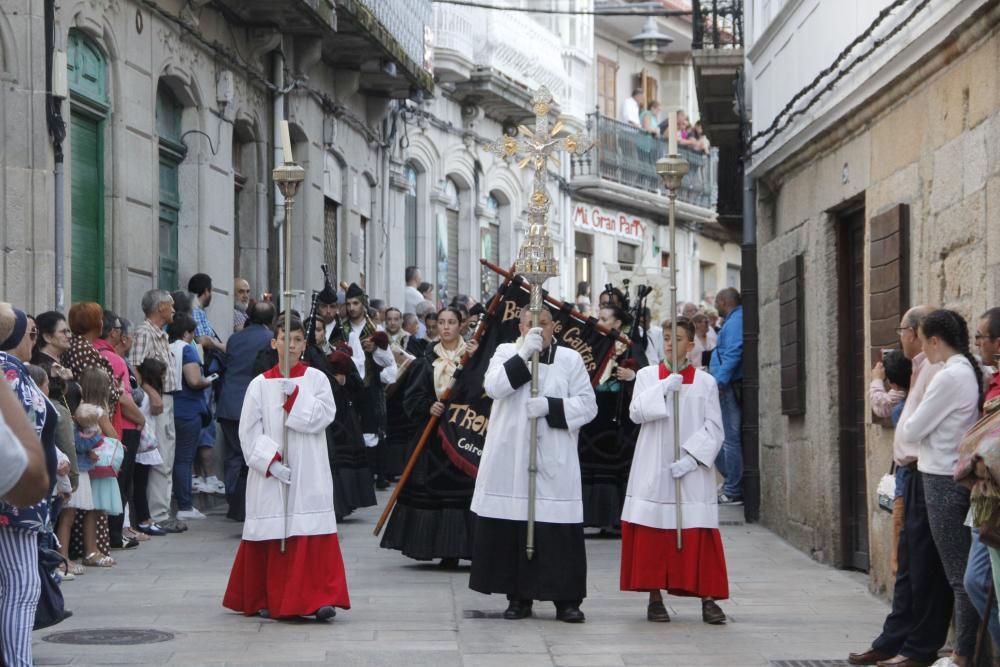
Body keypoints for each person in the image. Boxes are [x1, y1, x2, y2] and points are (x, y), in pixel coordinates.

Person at [470, 307, 597, 623]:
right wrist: (524, 353)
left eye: (543, 324)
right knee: (515, 527)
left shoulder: (569, 360)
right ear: (520, 326)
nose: (537, 329)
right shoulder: (506, 351)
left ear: (555, 326)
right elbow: (495, 387)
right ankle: (519, 596)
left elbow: (588, 405)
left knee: (556, 530)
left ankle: (566, 600)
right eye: (530, 324)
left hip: (554, 455)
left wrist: (552, 407)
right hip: (511, 456)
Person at [222, 317, 349, 621]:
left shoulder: (317, 379)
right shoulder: (259, 384)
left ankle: (319, 598)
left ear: (304, 344)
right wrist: (270, 463)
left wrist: (296, 397)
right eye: (284, 338)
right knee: (273, 530)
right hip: (272, 472)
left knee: (310, 529)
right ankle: (268, 594)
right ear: (274, 342)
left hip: (309, 467)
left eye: (296, 339)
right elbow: (248, 432)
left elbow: (325, 416)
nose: (290, 345)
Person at [849, 306, 950, 667]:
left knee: (922, 565)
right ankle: (893, 639)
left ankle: (918, 646)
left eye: (902, 332)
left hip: (927, 473)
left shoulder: (938, 369)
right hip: (914, 472)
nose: (900, 339)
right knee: (909, 563)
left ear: (916, 332)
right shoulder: (921, 368)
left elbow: (911, 423)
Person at [621, 318, 728, 625]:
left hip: (691, 471)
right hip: (654, 465)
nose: (670, 343)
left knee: (698, 531)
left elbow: (715, 429)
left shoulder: (706, 382)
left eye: (678, 338)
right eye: (667, 337)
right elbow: (637, 413)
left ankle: (708, 598)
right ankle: (655, 597)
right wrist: (664, 388)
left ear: (690, 345)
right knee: (653, 532)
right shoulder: (647, 375)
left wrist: (692, 458)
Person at [901, 310, 982, 667]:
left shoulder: (950, 375)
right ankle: (967, 649)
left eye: (922, 339)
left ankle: (964, 654)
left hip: (941, 479)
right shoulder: (968, 367)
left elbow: (911, 430)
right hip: (948, 475)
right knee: (960, 572)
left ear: (933, 340)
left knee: (958, 575)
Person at [380, 307, 479, 565]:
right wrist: (428, 406)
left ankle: (464, 546)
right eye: (442, 322)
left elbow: (483, 395)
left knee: (463, 491)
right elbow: (411, 398)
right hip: (432, 437)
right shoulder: (426, 359)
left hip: (462, 435)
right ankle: (436, 545)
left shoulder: (472, 358)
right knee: (431, 490)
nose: (445, 327)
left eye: (451, 322)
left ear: (462, 325)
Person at [0, 305, 57, 667]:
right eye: (32, 334)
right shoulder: (9, 372)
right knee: (22, 585)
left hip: (19, 495)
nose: (34, 341)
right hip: (15, 499)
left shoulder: (14, 371)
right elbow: (21, 440)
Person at [578, 304, 647, 532]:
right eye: (599, 317)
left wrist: (632, 375)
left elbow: (647, 374)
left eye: (605, 318)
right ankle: (594, 516)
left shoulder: (630, 346)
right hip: (595, 417)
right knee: (593, 466)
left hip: (619, 419)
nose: (600, 321)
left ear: (617, 323)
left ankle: (617, 520)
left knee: (616, 467)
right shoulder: (594, 345)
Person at [328, 283, 397, 490]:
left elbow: (388, 362)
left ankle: (377, 473)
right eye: (348, 304)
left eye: (355, 303)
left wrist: (377, 348)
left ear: (363, 304)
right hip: (349, 387)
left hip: (370, 387)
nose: (351, 308)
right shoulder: (340, 328)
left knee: (374, 431)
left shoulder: (375, 329)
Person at [129, 290, 185, 534]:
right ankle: (157, 515)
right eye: (170, 305)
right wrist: (152, 393)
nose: (173, 310)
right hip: (157, 401)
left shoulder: (160, 334)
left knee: (166, 456)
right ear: (160, 307)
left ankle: (160, 512)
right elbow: (135, 367)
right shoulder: (144, 333)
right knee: (159, 457)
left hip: (166, 399)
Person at [217, 302, 275, 521]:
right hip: (256, 403)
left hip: (230, 403)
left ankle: (233, 499)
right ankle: (249, 502)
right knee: (255, 454)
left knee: (233, 454)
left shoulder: (235, 339)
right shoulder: (270, 339)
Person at [963, 307, 1000, 648]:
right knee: (977, 580)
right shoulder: (991, 379)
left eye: (982, 337)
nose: (978, 343)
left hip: (995, 495)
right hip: (983, 496)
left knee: (979, 580)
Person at [96, 311, 145, 549]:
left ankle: (112, 532)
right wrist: (141, 418)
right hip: (122, 427)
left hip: (107, 426)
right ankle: (115, 533)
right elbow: (123, 398)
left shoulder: (91, 352)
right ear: (113, 332)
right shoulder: (113, 359)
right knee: (121, 483)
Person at [709, 288, 743, 505]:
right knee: (723, 436)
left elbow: (734, 352)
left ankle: (733, 488)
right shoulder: (734, 320)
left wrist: (719, 381)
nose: (716, 307)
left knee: (728, 438)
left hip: (726, 386)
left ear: (722, 301)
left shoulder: (736, 320)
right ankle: (732, 483)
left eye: (717, 303)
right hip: (724, 384)